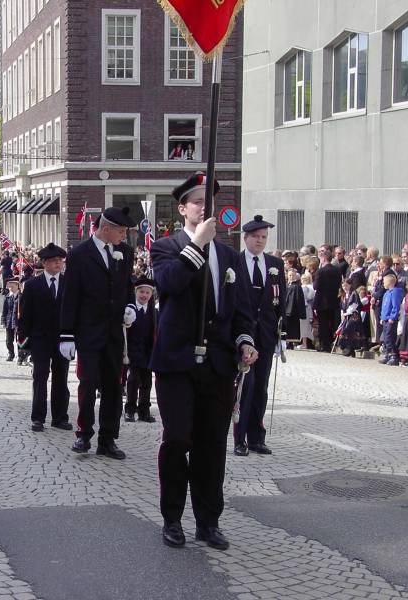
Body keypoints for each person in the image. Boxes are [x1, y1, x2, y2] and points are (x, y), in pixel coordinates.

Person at [150, 172, 257, 551]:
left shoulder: (229, 256)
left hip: (217, 365)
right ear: (183, 209)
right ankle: (172, 518)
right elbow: (170, 284)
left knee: (212, 445)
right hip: (176, 363)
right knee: (178, 439)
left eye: (208, 201)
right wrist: (196, 245)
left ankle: (208, 521)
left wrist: (245, 342)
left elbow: (242, 310)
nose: (203, 207)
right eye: (196, 201)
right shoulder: (165, 247)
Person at [59, 206, 137, 460]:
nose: (124, 236)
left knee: (114, 387)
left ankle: (108, 438)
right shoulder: (80, 254)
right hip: (88, 332)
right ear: (106, 229)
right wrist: (67, 334)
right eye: (121, 231)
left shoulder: (125, 253)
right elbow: (70, 296)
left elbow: (126, 287)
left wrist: (130, 306)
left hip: (114, 333)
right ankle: (84, 433)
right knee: (88, 383)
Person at [233, 215, 285, 457]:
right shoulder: (235, 261)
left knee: (261, 387)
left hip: (265, 334)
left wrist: (281, 334)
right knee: (245, 385)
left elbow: (279, 301)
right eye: (255, 237)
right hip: (242, 335)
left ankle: (256, 437)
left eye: (263, 237)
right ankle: (239, 438)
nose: (260, 241)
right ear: (245, 238)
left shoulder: (275, 264)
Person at [18, 243, 71, 432]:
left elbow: (73, 312)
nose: (58, 264)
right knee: (40, 378)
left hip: (62, 339)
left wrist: (73, 338)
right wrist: (23, 343)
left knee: (61, 378)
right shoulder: (33, 285)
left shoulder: (68, 283)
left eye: (60, 261)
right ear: (45, 263)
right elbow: (24, 316)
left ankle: (59, 417)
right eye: (54, 261)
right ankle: (38, 418)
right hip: (40, 339)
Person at [124, 277, 157, 423]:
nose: (144, 295)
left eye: (147, 293)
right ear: (136, 292)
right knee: (133, 381)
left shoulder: (153, 313)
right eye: (141, 292)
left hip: (147, 352)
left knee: (147, 383)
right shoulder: (130, 310)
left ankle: (144, 410)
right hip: (132, 352)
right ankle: (130, 410)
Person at [313, 247, 342, 352]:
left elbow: (315, 286)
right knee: (331, 323)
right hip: (333, 300)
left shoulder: (320, 271)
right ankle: (330, 343)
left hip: (321, 301)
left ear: (324, 259)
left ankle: (324, 345)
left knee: (323, 324)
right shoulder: (337, 271)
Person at [379, 274, 404, 366]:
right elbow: (384, 306)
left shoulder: (395, 292)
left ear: (389, 282)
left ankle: (393, 355)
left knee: (390, 337)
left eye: (384, 281)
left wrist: (393, 317)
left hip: (390, 319)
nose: (383, 283)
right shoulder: (386, 293)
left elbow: (396, 306)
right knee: (385, 338)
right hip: (385, 318)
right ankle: (388, 354)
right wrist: (382, 317)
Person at [283, 268, 305, 344]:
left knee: (293, 327)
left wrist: (300, 312)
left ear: (296, 276)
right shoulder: (285, 285)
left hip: (293, 310)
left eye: (293, 275)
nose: (291, 277)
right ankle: (285, 341)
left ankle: (292, 342)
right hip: (285, 309)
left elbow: (299, 300)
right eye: (290, 275)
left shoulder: (297, 287)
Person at [1, 277, 20, 361]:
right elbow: (4, 310)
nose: (10, 288)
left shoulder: (21, 296)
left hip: (18, 321)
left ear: (17, 285)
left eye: (12, 286)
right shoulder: (7, 297)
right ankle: (11, 354)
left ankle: (21, 356)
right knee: (9, 340)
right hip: (9, 320)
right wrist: (3, 320)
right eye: (9, 286)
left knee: (19, 340)